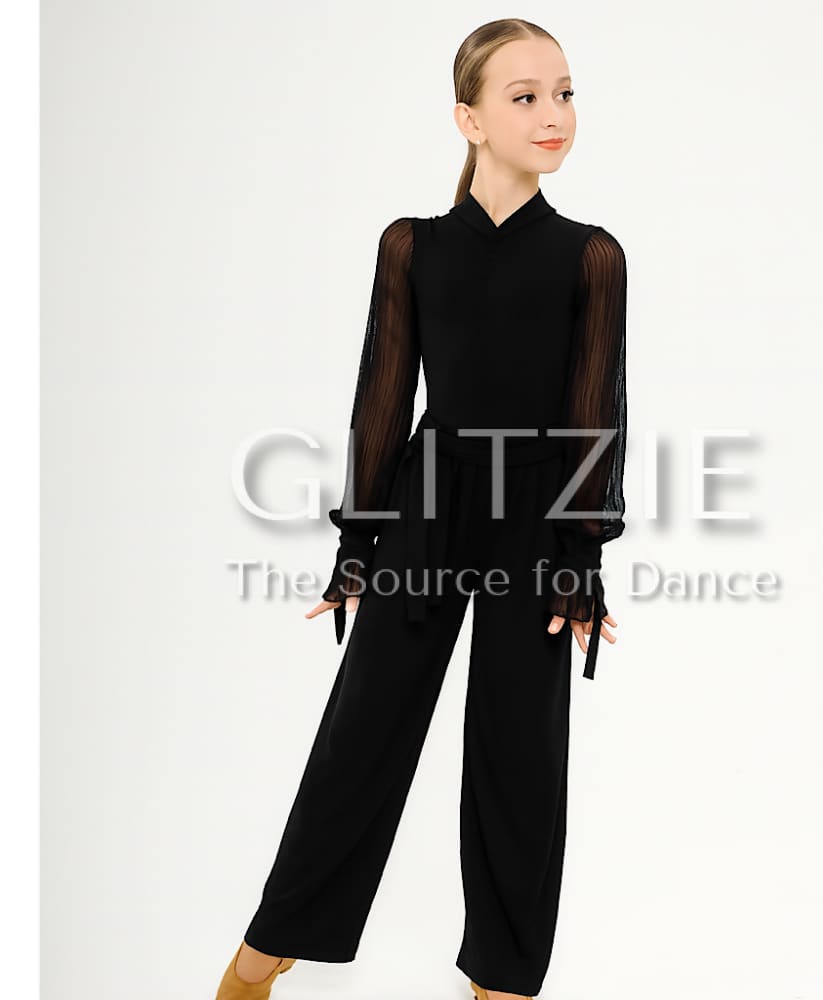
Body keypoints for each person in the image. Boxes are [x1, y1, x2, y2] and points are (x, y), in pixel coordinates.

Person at [215, 17, 627, 1000]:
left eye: (564, 92)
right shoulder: (413, 246)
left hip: (536, 516)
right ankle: (264, 952)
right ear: (468, 119)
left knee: (520, 752)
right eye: (525, 96)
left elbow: (594, 414)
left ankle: (502, 982)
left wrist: (581, 554)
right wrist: (359, 541)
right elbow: (383, 395)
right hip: (429, 499)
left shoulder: (591, 255)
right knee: (364, 731)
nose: (554, 114)